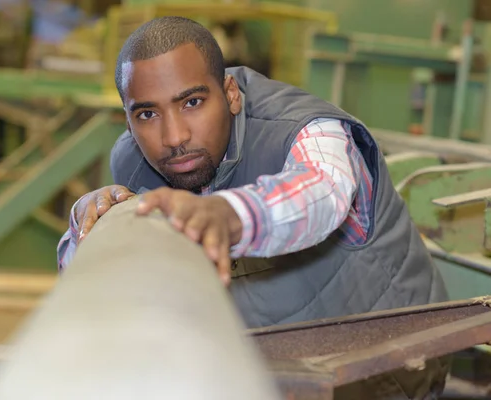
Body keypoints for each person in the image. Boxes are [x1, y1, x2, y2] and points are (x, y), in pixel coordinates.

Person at [57, 16, 450, 399]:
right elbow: (98, 282)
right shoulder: (134, 161)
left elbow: (319, 194)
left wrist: (229, 214)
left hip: (385, 367)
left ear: (229, 93)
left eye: (192, 102)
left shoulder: (305, 129)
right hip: (265, 367)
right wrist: (90, 224)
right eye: (147, 113)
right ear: (127, 119)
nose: (174, 136)